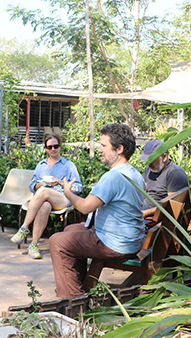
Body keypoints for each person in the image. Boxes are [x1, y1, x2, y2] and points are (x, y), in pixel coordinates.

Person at [49, 123, 146, 298]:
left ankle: (71, 300)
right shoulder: (135, 174)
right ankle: (79, 288)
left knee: (57, 242)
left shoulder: (113, 176)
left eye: (103, 145)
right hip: (132, 239)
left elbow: (84, 207)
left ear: (119, 149)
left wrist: (68, 193)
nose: (99, 149)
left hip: (115, 242)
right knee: (71, 230)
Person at [10, 133, 83, 259]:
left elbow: (79, 187)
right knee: (44, 206)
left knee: (44, 192)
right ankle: (33, 245)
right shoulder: (41, 165)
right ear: (45, 148)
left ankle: (24, 228)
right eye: (50, 147)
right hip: (44, 199)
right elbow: (32, 185)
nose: (53, 149)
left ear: (60, 147)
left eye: (56, 146)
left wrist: (60, 182)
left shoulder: (69, 165)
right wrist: (42, 183)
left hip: (62, 198)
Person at [139, 139, 189, 219]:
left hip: (155, 216)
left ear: (164, 157)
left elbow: (172, 206)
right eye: (147, 160)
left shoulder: (175, 173)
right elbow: (143, 190)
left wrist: (145, 213)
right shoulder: (150, 170)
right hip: (142, 208)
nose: (149, 163)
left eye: (152, 160)